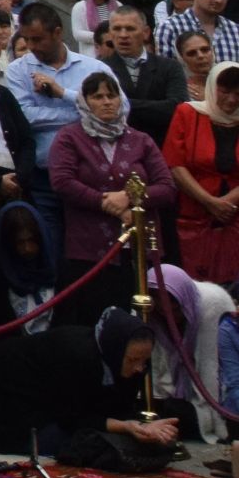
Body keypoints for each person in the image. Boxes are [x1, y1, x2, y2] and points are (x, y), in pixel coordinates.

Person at [0, 310, 194, 470]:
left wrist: (143, 426)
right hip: (11, 401)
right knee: (75, 445)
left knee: (142, 443)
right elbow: (72, 417)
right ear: (116, 349)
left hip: (61, 406)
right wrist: (127, 426)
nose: (139, 367)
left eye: (144, 360)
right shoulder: (78, 356)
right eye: (133, 359)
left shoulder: (130, 363)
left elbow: (116, 407)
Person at [50, 62, 173, 326]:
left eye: (111, 95)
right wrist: (106, 203)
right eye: (97, 96)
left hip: (139, 249)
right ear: (85, 102)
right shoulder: (69, 138)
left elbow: (166, 186)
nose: (106, 102)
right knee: (99, 321)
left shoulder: (141, 139)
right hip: (90, 251)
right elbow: (62, 181)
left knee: (145, 324)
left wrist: (128, 198)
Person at [161, 61, 239, 282]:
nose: (232, 100)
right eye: (225, 92)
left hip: (235, 217)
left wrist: (229, 202)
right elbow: (175, 164)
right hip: (194, 214)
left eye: (238, 93)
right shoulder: (187, 112)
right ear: (213, 88)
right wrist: (210, 202)